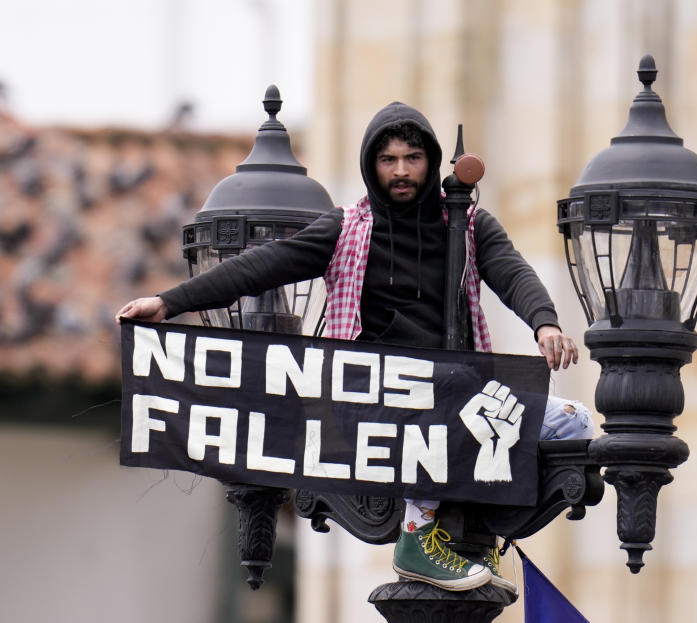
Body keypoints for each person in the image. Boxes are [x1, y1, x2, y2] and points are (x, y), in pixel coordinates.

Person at [116, 101, 589, 593]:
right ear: (371, 165)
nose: (401, 171)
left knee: (569, 422)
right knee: (438, 389)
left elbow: (512, 272)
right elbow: (262, 266)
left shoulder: (468, 225)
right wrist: (168, 303)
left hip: (458, 398)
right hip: (374, 400)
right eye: (388, 160)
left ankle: (476, 518)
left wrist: (544, 323)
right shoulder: (347, 229)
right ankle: (417, 532)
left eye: (412, 158)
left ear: (430, 161)